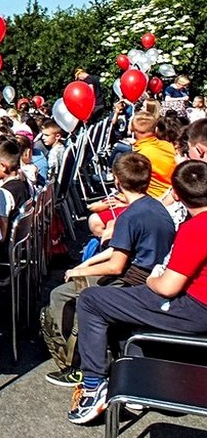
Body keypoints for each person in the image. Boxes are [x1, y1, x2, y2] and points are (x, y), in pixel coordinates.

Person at [69, 159, 207, 424]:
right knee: (119, 303)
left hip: (193, 309)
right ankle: (136, 377)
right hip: (195, 304)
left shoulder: (196, 228)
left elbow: (167, 287)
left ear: (176, 195)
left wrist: (153, 280)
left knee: (90, 300)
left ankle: (93, 385)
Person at [40, 153, 175, 386]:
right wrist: (86, 264)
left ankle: (75, 363)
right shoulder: (155, 206)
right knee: (76, 287)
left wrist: (78, 272)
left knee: (61, 295)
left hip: (133, 279)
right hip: (152, 273)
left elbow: (116, 265)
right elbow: (119, 249)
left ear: (117, 181)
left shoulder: (129, 216)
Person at [0, 137, 32, 258]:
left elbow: (0, 236)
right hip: (20, 244)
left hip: (5, 251)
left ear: (3, 166)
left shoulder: (2, 194)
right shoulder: (24, 182)